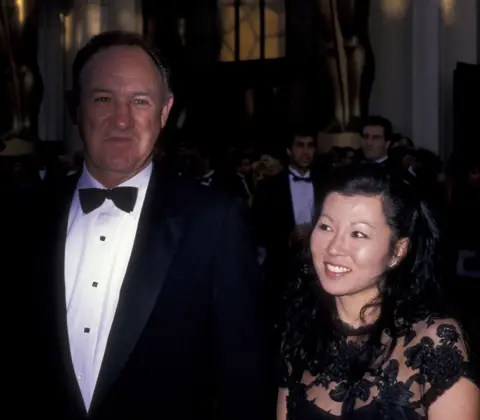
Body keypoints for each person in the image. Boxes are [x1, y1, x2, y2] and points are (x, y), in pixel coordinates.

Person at [20, 31, 272, 419]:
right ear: (76, 108)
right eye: (103, 99)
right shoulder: (24, 214)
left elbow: (244, 379)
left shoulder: (215, 221)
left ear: (164, 112)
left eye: (140, 101)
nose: (121, 119)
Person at [277, 164, 479, 419]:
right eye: (326, 227)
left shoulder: (433, 342)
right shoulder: (303, 331)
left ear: (397, 251)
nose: (334, 247)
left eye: (358, 234)